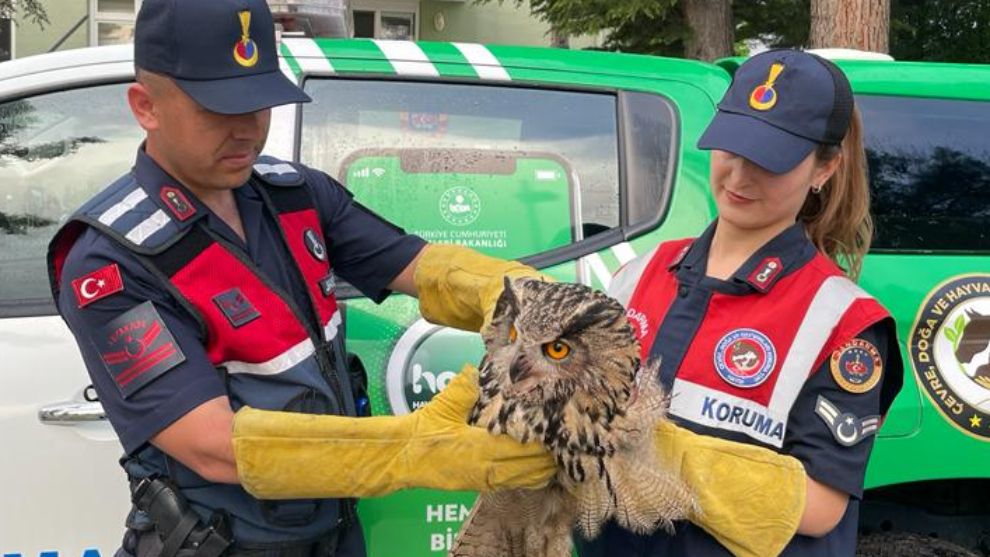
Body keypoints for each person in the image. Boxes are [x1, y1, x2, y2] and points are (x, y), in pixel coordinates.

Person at [46, 0, 553, 555]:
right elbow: (215, 446)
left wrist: (529, 297)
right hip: (224, 544)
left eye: (261, 101)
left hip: (333, 535)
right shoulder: (111, 261)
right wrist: (412, 449)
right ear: (146, 106)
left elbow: (418, 266)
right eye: (217, 109)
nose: (246, 129)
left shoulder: (293, 194)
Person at [573, 49, 904, 556]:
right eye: (731, 146)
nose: (740, 176)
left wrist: (673, 461)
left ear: (825, 168)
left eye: (770, 159)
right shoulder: (640, 274)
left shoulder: (844, 325)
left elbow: (820, 508)